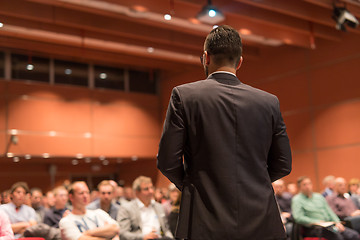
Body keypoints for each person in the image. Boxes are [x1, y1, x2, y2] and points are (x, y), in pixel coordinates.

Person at [157, 25, 292, 240]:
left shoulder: (184, 96)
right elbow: (283, 163)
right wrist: (255, 180)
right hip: (262, 220)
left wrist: (194, 184)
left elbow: (167, 161)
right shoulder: (269, 102)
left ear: (205, 58)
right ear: (239, 61)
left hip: (204, 220)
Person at [292, 176, 359, 240]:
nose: (308, 186)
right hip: (314, 228)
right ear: (299, 187)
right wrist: (316, 222)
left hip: (329, 225)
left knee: (354, 235)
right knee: (338, 237)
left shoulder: (318, 196)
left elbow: (330, 212)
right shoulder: (297, 199)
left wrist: (337, 222)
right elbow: (298, 217)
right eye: (304, 184)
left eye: (309, 183)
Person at [117, 176, 173, 240]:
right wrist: (143, 237)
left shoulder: (159, 207)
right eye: (146, 189)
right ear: (137, 192)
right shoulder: (127, 208)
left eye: (152, 188)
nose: (151, 191)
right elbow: (123, 233)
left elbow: (166, 230)